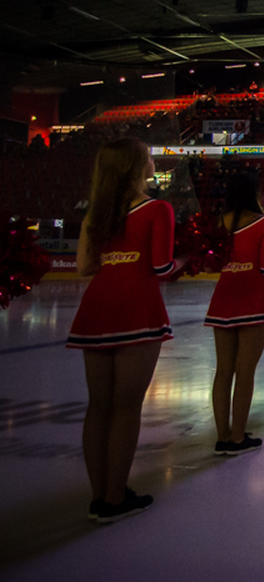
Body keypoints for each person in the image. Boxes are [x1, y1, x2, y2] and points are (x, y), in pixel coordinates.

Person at [68, 138, 176, 523]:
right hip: (136, 309)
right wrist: (184, 261)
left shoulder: (97, 213)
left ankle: (100, 495)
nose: (152, 160)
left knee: (98, 406)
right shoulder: (157, 209)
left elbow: (84, 266)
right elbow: (162, 267)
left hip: (96, 309)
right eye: (148, 156)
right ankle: (116, 497)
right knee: (126, 407)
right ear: (135, 166)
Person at [203, 172, 264, 456]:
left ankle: (222, 436)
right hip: (254, 301)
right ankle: (237, 438)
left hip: (223, 301)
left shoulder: (219, 224)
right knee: (245, 372)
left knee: (223, 371)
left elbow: (210, 263)